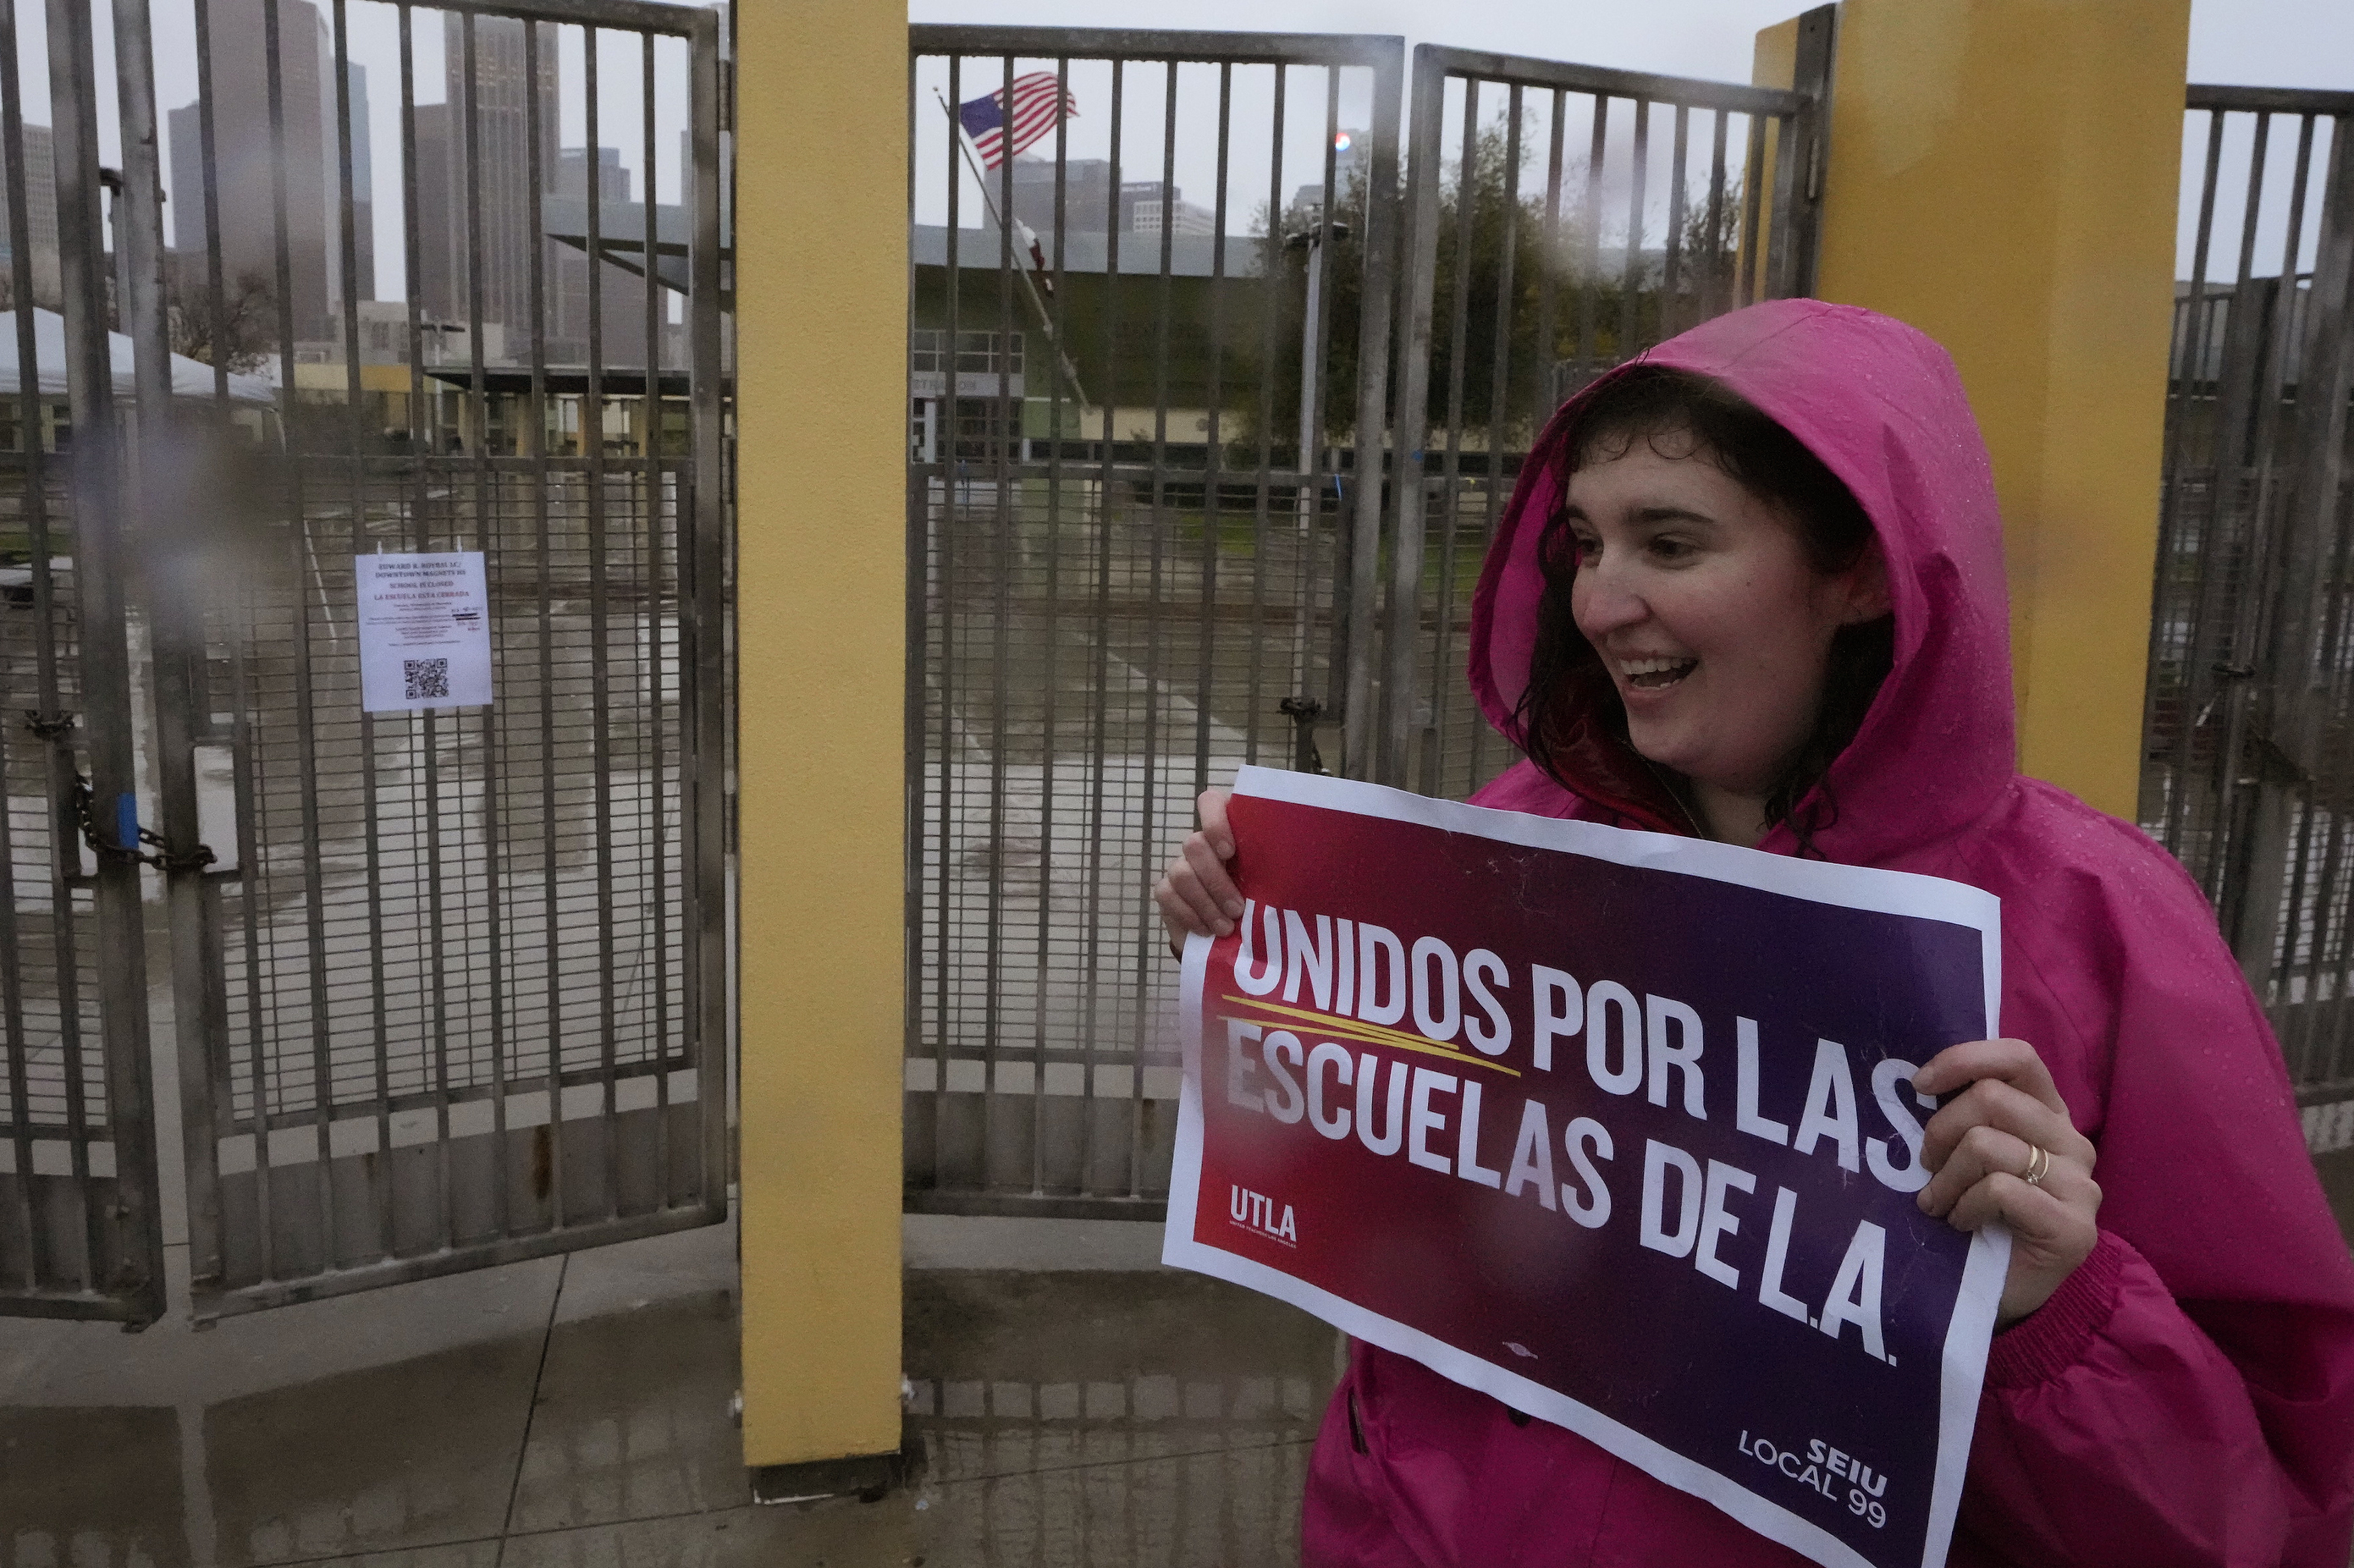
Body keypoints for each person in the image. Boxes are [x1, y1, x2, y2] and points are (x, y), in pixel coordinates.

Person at [1153, 299, 2354, 1565]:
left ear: (1860, 570)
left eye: (1668, 543)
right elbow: (1398, 1248)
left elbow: (2262, 1512)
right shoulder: (1507, 847)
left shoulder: (2096, 922)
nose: (1601, 601)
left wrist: (2052, 1307)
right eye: (1582, 543)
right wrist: (1267, 934)